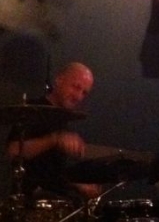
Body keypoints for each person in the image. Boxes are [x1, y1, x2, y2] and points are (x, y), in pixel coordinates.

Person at [6, 61, 101, 201]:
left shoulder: (64, 119)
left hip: (57, 201)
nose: (79, 96)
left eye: (84, 92)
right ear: (59, 80)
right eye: (76, 87)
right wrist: (54, 139)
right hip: (31, 202)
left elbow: (52, 175)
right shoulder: (32, 110)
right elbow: (13, 151)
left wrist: (79, 186)